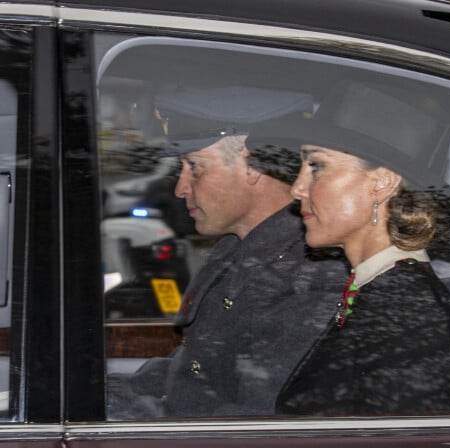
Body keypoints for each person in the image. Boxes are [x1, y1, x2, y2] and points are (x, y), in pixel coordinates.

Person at [107, 86, 347, 418]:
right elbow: (196, 367)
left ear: (253, 167)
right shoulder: (236, 250)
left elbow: (254, 421)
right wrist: (108, 397)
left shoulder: (314, 274)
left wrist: (134, 416)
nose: (181, 188)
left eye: (195, 167)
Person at [248, 80, 450, 416]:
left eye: (317, 166)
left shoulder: (409, 308)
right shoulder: (380, 287)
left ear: (382, 182)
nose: (297, 188)